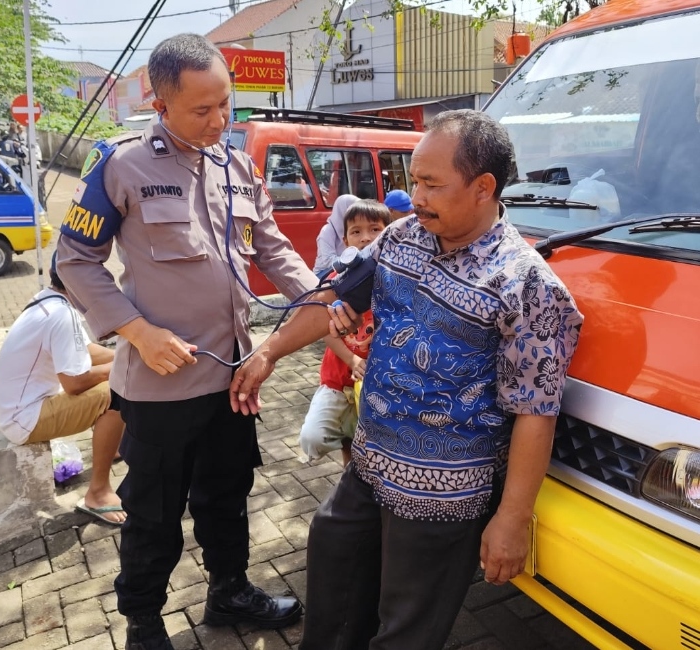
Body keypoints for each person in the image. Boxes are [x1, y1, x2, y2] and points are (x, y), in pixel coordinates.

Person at [230, 109, 584, 650]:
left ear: (483, 187)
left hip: (443, 497)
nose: (416, 197)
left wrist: (512, 519)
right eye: (413, 181)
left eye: (431, 184)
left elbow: (536, 411)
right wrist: (269, 352)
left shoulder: (527, 286)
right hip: (371, 466)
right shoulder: (401, 238)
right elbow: (335, 296)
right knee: (333, 582)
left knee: (404, 632)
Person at [54, 33, 314, 650]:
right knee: (153, 513)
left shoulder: (237, 165)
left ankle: (229, 591)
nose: (219, 121)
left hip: (231, 377)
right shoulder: (121, 164)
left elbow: (273, 249)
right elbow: (75, 261)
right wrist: (137, 331)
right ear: (160, 103)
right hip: (160, 385)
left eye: (225, 104)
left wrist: (320, 298)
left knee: (228, 494)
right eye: (202, 110)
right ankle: (143, 623)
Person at [0, 252, 125, 525]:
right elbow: (75, 384)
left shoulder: (47, 301)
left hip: (18, 410)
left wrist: (128, 356)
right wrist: (125, 368)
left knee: (115, 378)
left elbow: (85, 351)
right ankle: (98, 493)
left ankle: (111, 446)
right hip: (24, 420)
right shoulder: (62, 315)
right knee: (117, 392)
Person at [299, 200, 390, 466]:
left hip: (377, 383)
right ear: (345, 240)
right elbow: (324, 330)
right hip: (337, 380)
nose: (366, 238)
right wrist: (352, 360)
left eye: (375, 230)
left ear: (390, 233)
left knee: (367, 443)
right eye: (356, 231)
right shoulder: (335, 282)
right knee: (314, 437)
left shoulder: (394, 281)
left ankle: (355, 478)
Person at [311, 193, 359, 279]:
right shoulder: (327, 231)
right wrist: (352, 259)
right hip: (324, 273)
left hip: (343, 268)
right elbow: (328, 261)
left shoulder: (352, 228)